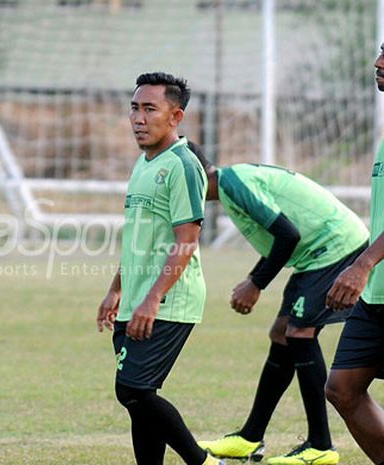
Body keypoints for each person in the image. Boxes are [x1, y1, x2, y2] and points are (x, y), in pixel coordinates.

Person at [192, 147, 368, 465]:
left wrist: (255, 284)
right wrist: (254, 279)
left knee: (300, 333)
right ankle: (250, 438)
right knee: (282, 334)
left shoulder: (234, 184)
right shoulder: (232, 184)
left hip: (334, 247)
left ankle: (320, 446)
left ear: (196, 176)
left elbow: (287, 235)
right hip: (315, 253)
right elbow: (282, 237)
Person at [96, 72, 223, 465]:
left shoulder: (183, 165)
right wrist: (117, 289)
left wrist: (153, 298)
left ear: (175, 116)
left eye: (150, 109)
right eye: (134, 108)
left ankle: (202, 462)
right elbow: (139, 237)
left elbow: (187, 239)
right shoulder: (144, 163)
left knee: (132, 390)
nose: (138, 117)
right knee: (140, 396)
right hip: (136, 297)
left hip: (168, 300)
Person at [324, 42, 384, 465]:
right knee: (342, 388)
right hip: (377, 293)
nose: (378, 63)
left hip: (373, 275)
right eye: (381, 52)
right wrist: (360, 266)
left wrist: (362, 265)